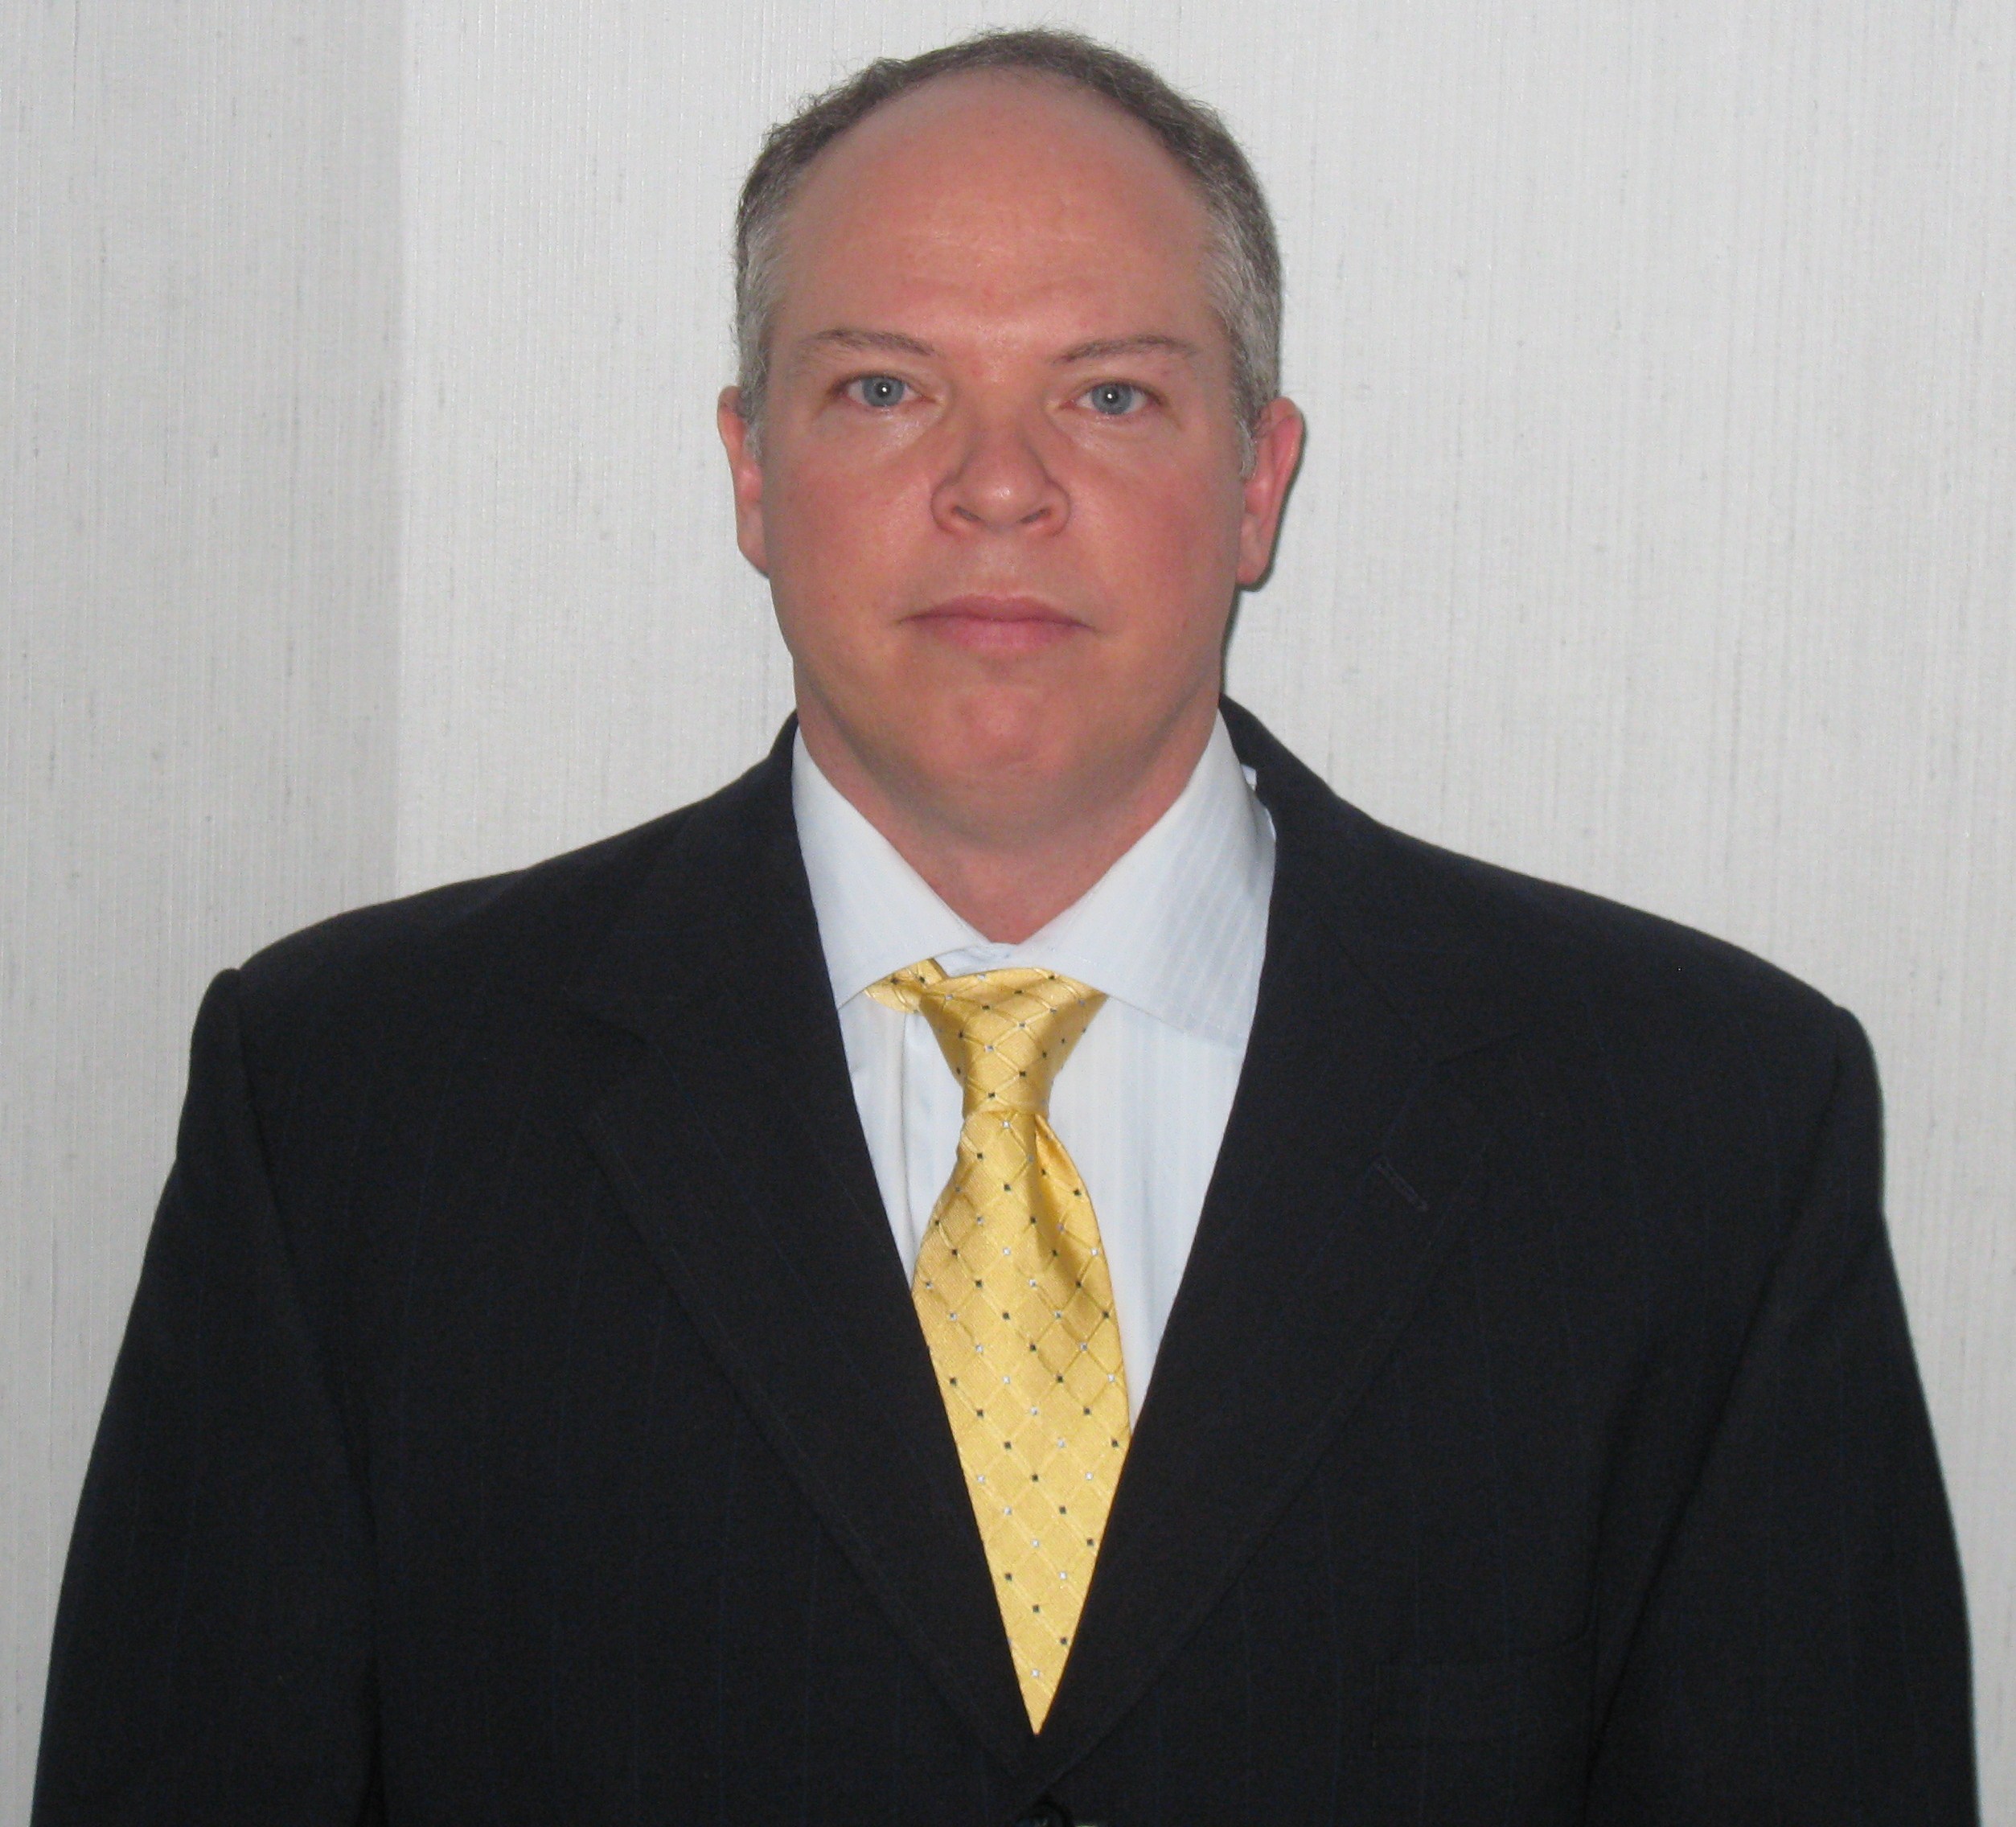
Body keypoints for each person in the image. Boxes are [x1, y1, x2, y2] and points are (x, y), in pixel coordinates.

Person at [33, 28, 1974, 1826]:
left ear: (1256, 482)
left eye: (1110, 394)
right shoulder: (353, 1112)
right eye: (885, 389)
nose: (996, 487)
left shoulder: (1702, 1135)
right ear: (751, 470)